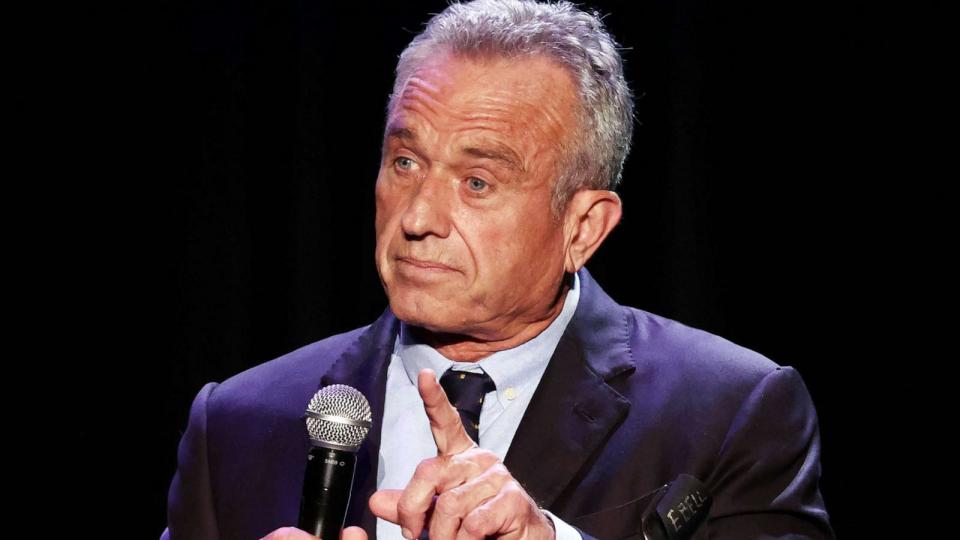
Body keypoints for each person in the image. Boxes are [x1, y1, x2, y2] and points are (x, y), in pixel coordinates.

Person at [162, 1, 833, 539]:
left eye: (478, 181)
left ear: (582, 227)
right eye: (405, 162)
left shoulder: (731, 413)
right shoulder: (240, 423)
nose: (418, 215)